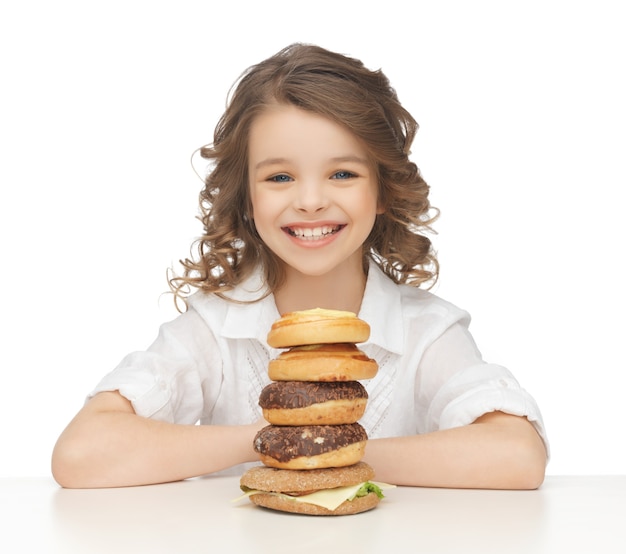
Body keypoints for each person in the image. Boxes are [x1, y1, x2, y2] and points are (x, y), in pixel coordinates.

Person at [51, 43, 548, 490]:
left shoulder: (426, 332)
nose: (310, 201)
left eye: (342, 173)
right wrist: (278, 440)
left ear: (382, 192)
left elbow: (517, 455)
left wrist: (331, 451)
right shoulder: (214, 329)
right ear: (246, 197)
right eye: (281, 176)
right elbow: (82, 454)